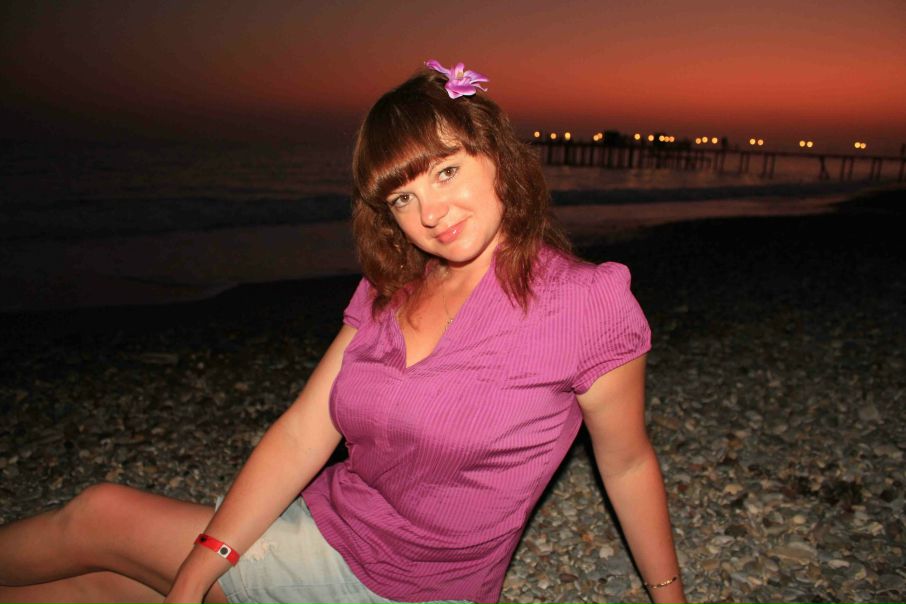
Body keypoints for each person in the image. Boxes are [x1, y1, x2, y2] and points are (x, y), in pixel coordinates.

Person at [0, 60, 686, 604]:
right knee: (100, 588)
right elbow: (305, 430)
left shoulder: (584, 304)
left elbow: (627, 463)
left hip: (402, 586)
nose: (431, 213)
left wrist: (670, 597)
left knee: (99, 515)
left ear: (499, 159)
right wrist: (203, 565)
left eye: (446, 172)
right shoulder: (395, 290)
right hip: (328, 524)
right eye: (403, 197)